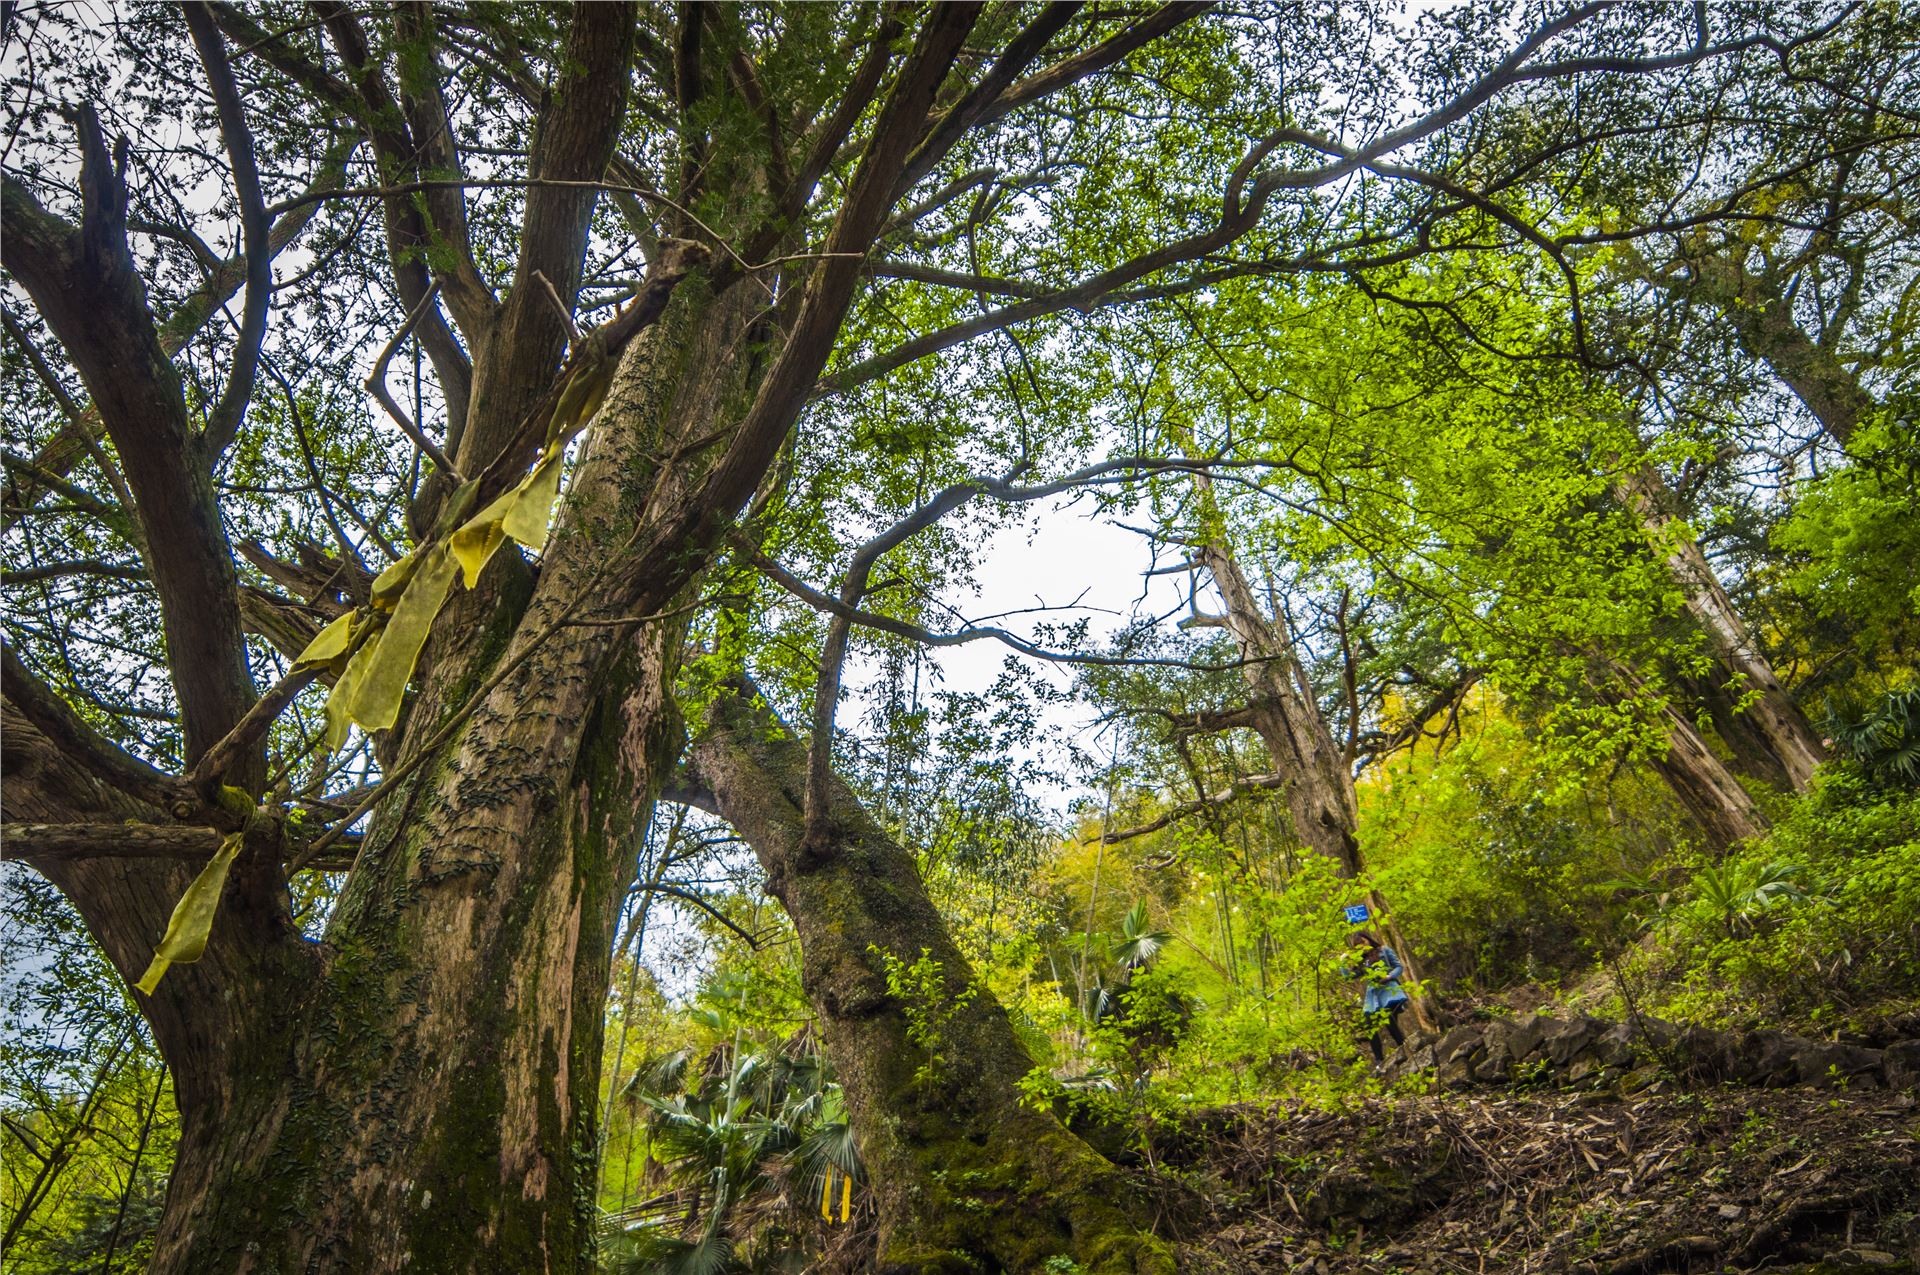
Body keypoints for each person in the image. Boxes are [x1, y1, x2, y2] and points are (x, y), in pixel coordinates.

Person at [1347, 930, 1409, 1064]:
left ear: (1368, 939)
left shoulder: (1384, 950)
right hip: (1372, 996)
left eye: (1363, 942)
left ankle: (1405, 1048)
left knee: (1389, 1019)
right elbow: (1349, 977)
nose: (1363, 946)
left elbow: (1398, 967)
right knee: (1369, 1025)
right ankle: (1379, 1061)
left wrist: (1389, 976)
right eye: (1359, 946)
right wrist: (1342, 963)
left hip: (1389, 990)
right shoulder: (1362, 961)